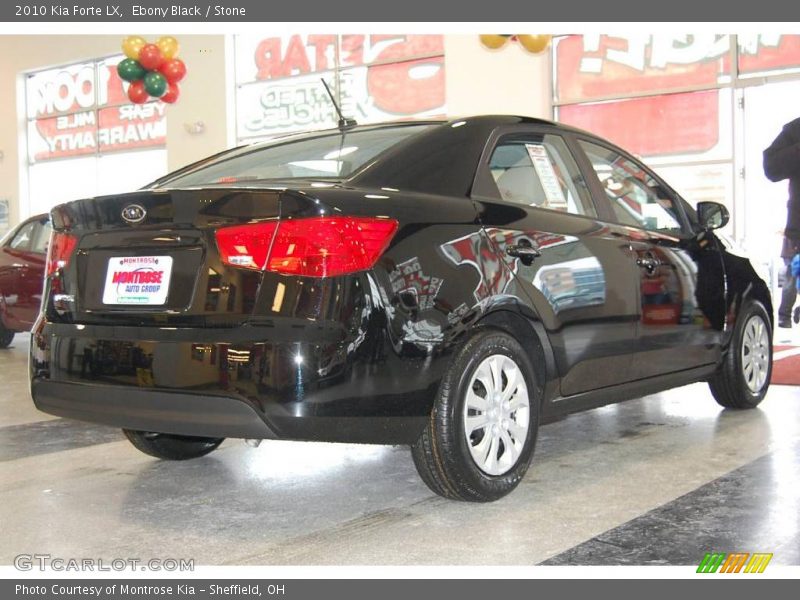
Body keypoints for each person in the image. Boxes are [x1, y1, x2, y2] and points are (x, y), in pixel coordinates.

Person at [763, 117, 800, 328]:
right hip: (799, 233)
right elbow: (771, 167)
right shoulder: (796, 129)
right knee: (792, 280)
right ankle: (785, 315)